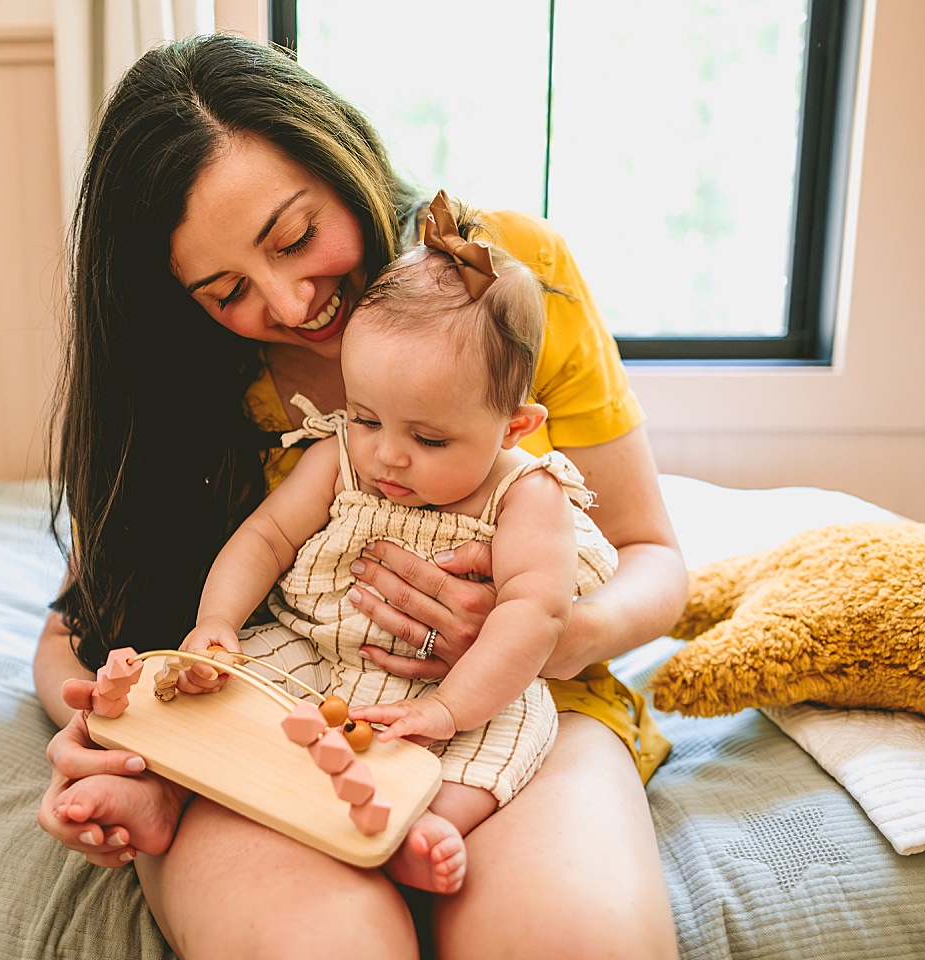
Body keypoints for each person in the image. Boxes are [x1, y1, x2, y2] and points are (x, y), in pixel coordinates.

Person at [35, 33, 687, 960]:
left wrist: (541, 635)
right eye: (226, 291)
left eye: (297, 236)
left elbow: (652, 556)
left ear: (340, 157)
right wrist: (112, 736)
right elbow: (77, 624)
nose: (293, 303)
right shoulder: (180, 382)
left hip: (531, 705)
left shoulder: (508, 286)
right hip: (279, 706)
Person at [142, 195, 620, 896]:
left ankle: (429, 824)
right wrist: (216, 622)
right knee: (225, 691)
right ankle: (164, 787)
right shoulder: (340, 451)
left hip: (467, 686)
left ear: (514, 427)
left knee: (506, 741)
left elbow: (533, 615)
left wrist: (448, 710)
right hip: (321, 651)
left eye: (428, 439)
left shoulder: (527, 494)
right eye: (368, 417)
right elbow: (267, 536)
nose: (387, 457)